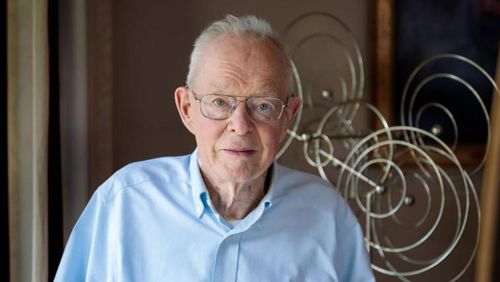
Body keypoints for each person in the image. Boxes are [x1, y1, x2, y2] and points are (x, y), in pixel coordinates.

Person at [55, 14, 375, 281]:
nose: (240, 125)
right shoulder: (123, 204)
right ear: (186, 108)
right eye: (219, 102)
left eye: (263, 105)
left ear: (288, 115)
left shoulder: (327, 218)